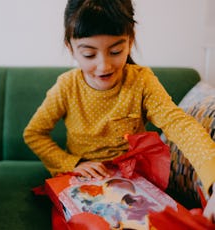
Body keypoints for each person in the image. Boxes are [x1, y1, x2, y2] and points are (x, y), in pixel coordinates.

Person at [23, 0, 215, 222]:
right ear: (71, 48)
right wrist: (73, 163)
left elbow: (178, 125)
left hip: (132, 181)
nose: (104, 66)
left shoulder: (141, 81)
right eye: (89, 54)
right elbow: (34, 133)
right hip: (80, 180)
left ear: (130, 40)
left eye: (115, 51)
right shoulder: (67, 86)